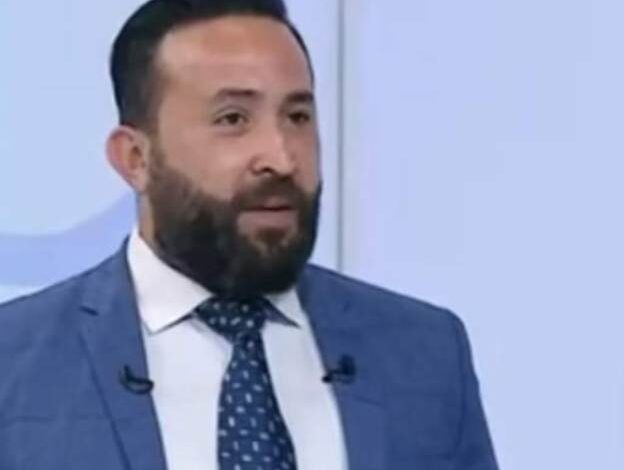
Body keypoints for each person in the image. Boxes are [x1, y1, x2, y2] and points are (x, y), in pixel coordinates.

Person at [0, 0, 499, 469]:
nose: (281, 158)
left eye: (297, 117)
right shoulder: (15, 359)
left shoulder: (425, 353)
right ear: (136, 159)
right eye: (233, 119)